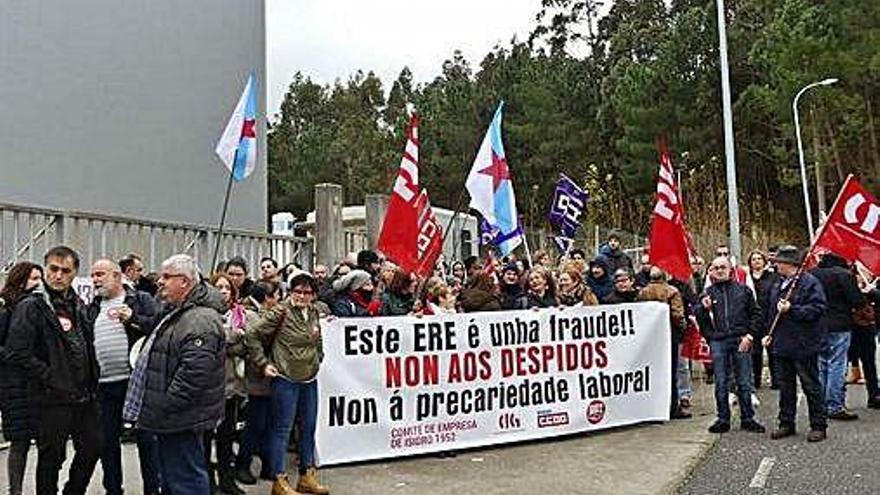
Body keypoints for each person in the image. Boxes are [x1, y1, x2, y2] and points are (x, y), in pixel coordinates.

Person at [124, 254, 226, 493]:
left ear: (185, 281)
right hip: (170, 418)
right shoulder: (176, 312)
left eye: (167, 277)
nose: (160, 281)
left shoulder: (199, 319)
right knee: (173, 479)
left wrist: (165, 405)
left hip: (181, 418)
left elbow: (193, 375)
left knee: (186, 481)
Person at [6, 246, 102, 495]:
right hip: (51, 398)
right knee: (51, 459)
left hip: (84, 395)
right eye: (54, 269)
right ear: (46, 268)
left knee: (93, 447)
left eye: (65, 271)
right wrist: (50, 376)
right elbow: (17, 352)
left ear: (74, 273)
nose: (58, 275)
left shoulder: (78, 303)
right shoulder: (32, 306)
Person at [245, 271, 329, 495]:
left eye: (307, 292)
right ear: (291, 292)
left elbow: (317, 339)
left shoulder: (313, 312)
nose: (302, 296)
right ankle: (278, 479)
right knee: (282, 429)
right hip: (286, 378)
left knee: (308, 427)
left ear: (313, 295)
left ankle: (306, 474)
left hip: (309, 378)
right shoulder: (280, 311)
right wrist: (263, 364)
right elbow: (252, 335)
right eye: (297, 291)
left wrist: (318, 357)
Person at [88, 259, 161, 495]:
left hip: (135, 383)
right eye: (93, 275)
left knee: (146, 441)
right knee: (108, 443)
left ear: (117, 276)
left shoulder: (140, 300)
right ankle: (113, 490)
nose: (96, 279)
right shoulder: (91, 307)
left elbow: (159, 328)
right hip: (104, 386)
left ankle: (153, 489)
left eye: (101, 274)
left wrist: (134, 319)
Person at [762, 246, 828, 442]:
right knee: (785, 386)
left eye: (779, 262)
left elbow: (817, 309)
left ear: (789, 264)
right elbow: (772, 312)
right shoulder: (778, 283)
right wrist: (768, 333)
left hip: (803, 343)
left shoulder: (809, 283)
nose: (776, 265)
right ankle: (786, 423)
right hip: (782, 343)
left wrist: (793, 309)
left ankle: (818, 425)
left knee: (810, 385)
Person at [696, 256, 765, 434]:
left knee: (744, 381)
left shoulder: (743, 291)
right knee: (721, 382)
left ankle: (748, 418)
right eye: (716, 267)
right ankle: (723, 418)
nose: (720, 270)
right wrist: (704, 313)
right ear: (712, 271)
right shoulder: (707, 294)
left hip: (740, 339)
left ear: (730, 270)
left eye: (723, 267)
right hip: (719, 341)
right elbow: (700, 321)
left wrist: (749, 336)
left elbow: (756, 315)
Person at [0, 262, 44, 495]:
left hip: (31, 381)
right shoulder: (7, 308)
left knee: (28, 439)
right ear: (20, 279)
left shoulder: (36, 306)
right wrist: (12, 353)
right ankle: (15, 490)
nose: (38, 284)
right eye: (33, 278)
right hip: (13, 383)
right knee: (19, 440)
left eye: (40, 278)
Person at [206, 273, 251, 494]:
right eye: (219, 286)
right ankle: (208, 480)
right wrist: (235, 336)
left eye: (227, 287)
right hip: (210, 386)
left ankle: (227, 478)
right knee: (207, 437)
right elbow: (214, 340)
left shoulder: (240, 314)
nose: (223, 291)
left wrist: (232, 340)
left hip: (233, 385)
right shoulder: (205, 315)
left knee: (226, 436)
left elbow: (248, 343)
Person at [236, 280, 281, 485]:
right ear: (267, 298)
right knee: (254, 424)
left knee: (266, 423)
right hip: (256, 379)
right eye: (276, 296)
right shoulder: (251, 314)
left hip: (266, 379)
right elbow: (258, 341)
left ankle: (267, 464)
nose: (279, 300)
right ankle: (242, 464)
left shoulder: (259, 312)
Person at [811, 252, 862, 420]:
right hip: (840, 324)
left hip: (818, 325)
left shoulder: (813, 274)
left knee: (821, 365)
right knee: (837, 365)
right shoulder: (844, 275)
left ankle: (822, 404)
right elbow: (857, 300)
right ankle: (835, 405)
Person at [638, 266, 691, 420]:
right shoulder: (672, 291)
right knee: (672, 371)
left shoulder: (643, 292)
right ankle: (672, 407)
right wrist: (683, 328)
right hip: (670, 334)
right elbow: (677, 314)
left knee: (653, 371)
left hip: (650, 336)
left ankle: (653, 407)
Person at [745, 250, 780, 389]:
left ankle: (776, 380)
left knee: (772, 350)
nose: (757, 261)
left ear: (765, 261)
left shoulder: (773, 277)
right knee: (755, 351)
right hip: (753, 318)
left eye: (759, 259)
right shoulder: (747, 278)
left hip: (769, 317)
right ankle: (756, 380)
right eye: (754, 259)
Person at [851, 273, 879, 408]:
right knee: (867, 361)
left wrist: (872, 291)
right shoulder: (845, 278)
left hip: (864, 325)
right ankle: (874, 394)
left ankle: (874, 394)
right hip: (856, 325)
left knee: (869, 362)